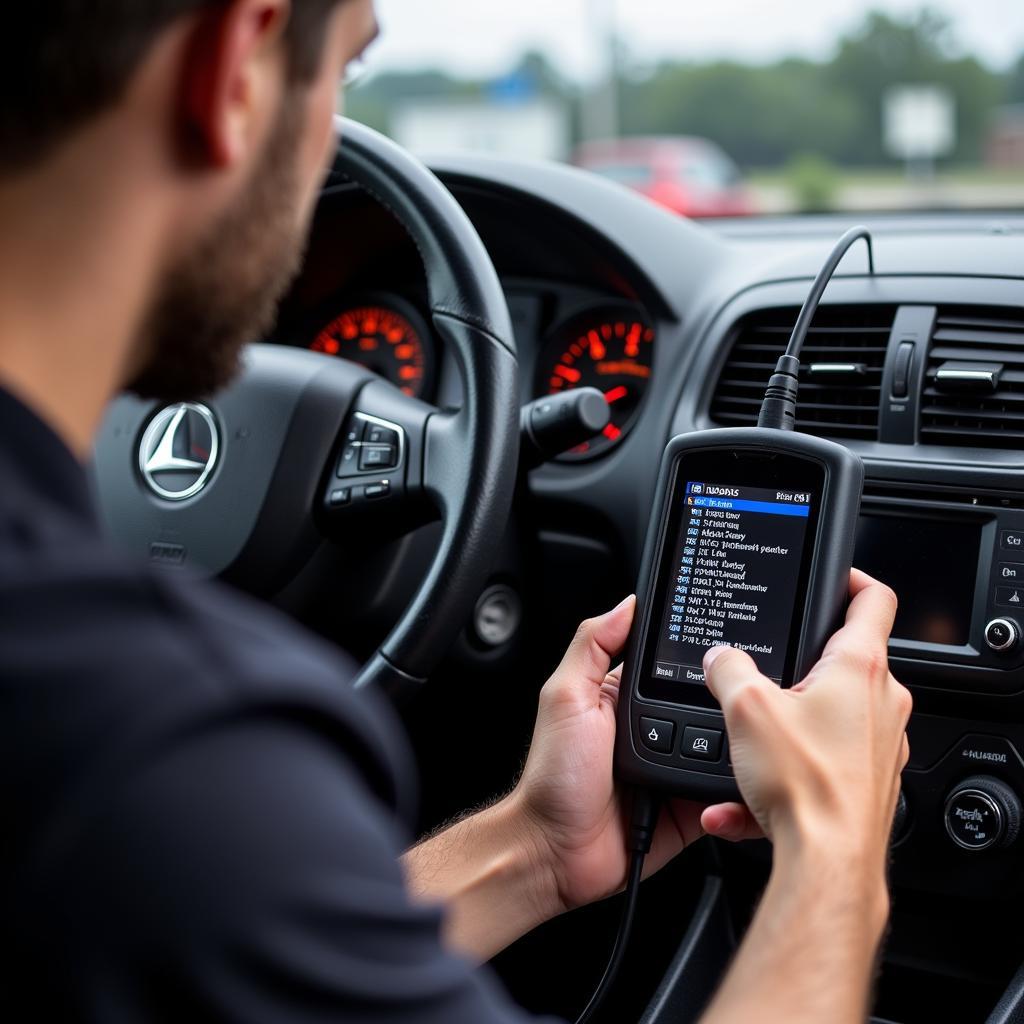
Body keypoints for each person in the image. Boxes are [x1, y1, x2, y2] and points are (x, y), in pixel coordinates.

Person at [0, 2, 912, 1022]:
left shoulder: (103, 765)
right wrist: (836, 843)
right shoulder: (161, 748)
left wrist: (533, 850)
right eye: (342, 78)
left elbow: (227, 952)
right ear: (237, 67)